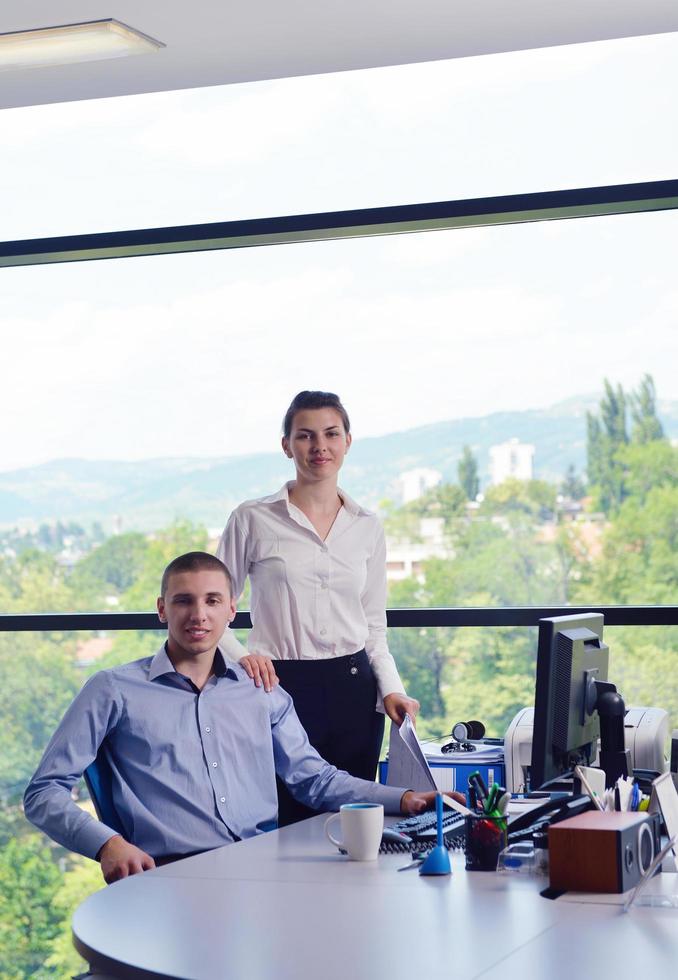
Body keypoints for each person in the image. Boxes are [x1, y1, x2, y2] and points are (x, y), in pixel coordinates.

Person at [24, 553, 441, 884]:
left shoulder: (261, 689)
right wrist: (108, 845)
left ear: (231, 611)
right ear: (161, 610)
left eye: (212, 601)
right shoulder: (112, 690)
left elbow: (314, 778)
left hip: (266, 873)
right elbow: (44, 793)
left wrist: (405, 799)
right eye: (183, 600)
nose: (198, 615)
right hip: (168, 878)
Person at [216, 390, 420, 825]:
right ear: (287, 445)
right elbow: (215, 609)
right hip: (278, 688)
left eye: (331, 434)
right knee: (283, 823)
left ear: (348, 441)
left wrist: (391, 689)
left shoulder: (367, 526)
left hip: (355, 691)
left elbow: (373, 626)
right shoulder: (251, 519)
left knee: (356, 824)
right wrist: (243, 658)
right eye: (305, 436)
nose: (319, 447)